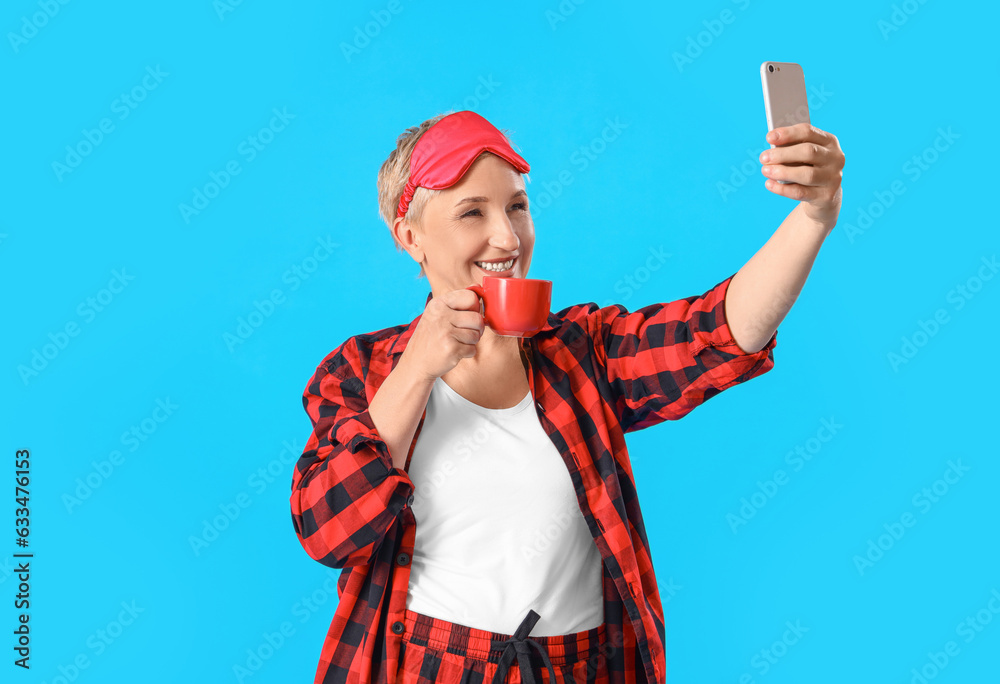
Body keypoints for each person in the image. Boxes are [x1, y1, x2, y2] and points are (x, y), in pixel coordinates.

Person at [289, 110, 845, 684]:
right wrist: (418, 368)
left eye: (517, 206)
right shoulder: (360, 371)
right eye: (471, 212)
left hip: (576, 669)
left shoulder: (582, 355)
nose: (506, 237)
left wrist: (814, 215)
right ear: (411, 237)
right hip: (428, 667)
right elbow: (329, 530)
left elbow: (717, 332)